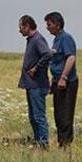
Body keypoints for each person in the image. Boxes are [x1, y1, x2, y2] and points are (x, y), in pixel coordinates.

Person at [18, 14, 52, 149]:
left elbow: (48, 54)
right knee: (33, 116)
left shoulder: (37, 39)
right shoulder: (32, 39)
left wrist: (36, 68)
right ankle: (38, 141)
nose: (19, 30)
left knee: (38, 116)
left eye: (20, 27)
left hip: (37, 85)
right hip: (31, 85)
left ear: (26, 26)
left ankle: (43, 143)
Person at [45, 11, 79, 147]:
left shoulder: (66, 38)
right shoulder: (56, 39)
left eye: (49, 25)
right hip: (58, 82)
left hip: (68, 82)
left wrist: (63, 77)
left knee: (66, 114)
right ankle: (61, 142)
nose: (47, 27)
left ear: (57, 25)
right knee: (58, 114)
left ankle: (66, 144)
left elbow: (71, 58)